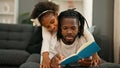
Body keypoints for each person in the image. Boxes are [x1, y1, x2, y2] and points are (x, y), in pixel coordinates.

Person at [26, 1, 59, 68]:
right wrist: (45, 56)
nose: (52, 27)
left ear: (56, 14)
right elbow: (46, 40)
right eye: (48, 27)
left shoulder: (65, 20)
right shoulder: (44, 28)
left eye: (52, 22)